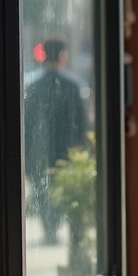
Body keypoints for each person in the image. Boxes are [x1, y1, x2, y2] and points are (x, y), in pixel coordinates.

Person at [23, 36, 90, 245]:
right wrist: (83, 149)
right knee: (62, 188)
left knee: (42, 189)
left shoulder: (32, 86)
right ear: (62, 56)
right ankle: (59, 226)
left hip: (39, 147)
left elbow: (26, 122)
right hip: (66, 148)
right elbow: (81, 123)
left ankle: (49, 228)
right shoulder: (74, 85)